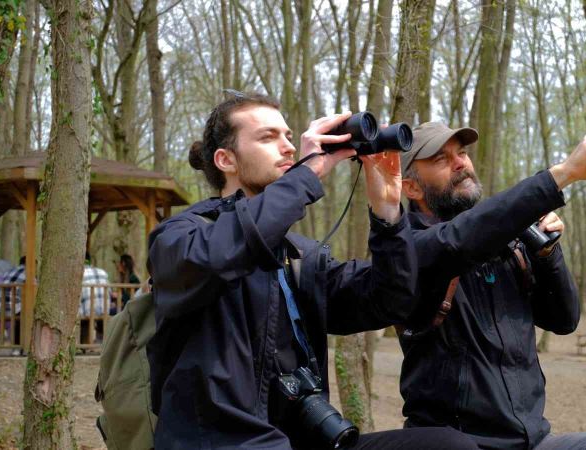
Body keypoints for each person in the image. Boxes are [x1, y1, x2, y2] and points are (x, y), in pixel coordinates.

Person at [146, 92, 477, 450]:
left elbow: (390, 300)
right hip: (222, 443)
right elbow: (220, 255)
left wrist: (387, 215)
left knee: (446, 444)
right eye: (267, 137)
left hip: (299, 440)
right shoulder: (180, 236)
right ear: (226, 159)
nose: (288, 148)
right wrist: (307, 174)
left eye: (288, 136)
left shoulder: (298, 257)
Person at [398, 119, 586, 449]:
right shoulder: (406, 249)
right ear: (411, 187)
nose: (460, 163)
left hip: (533, 441)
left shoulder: (507, 240)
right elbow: (457, 241)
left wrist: (547, 252)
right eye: (441, 159)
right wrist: (563, 173)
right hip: (455, 443)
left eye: (462, 152)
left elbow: (564, 321)